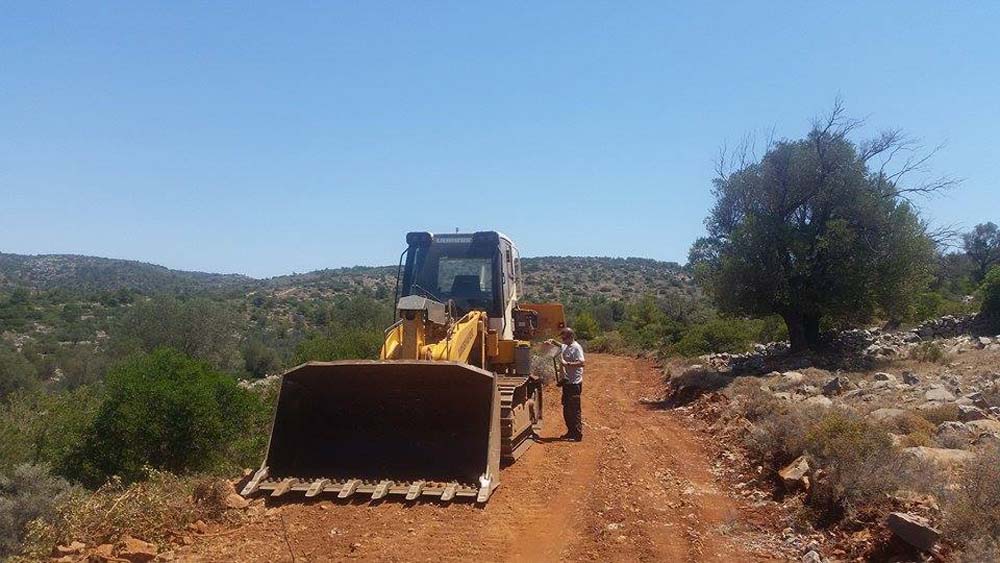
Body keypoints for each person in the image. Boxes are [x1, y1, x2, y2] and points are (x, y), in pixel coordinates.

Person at [549, 327, 585, 441]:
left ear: (571, 337)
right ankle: (570, 432)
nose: (563, 341)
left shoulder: (576, 348)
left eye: (564, 338)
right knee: (566, 409)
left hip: (574, 384)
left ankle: (577, 434)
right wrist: (552, 342)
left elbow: (582, 363)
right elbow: (561, 346)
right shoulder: (566, 345)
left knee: (574, 410)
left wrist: (567, 364)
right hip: (567, 383)